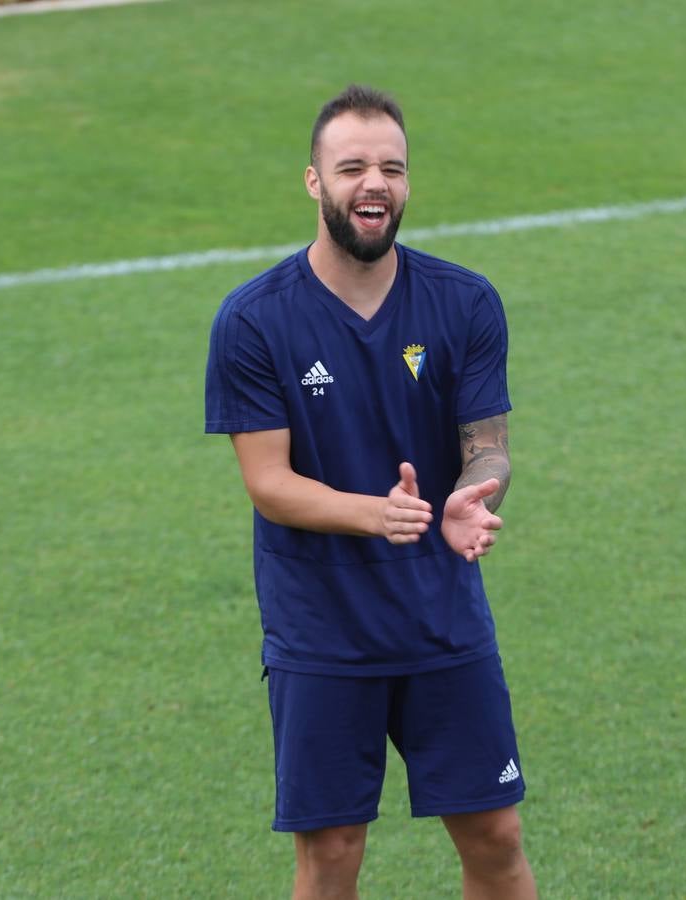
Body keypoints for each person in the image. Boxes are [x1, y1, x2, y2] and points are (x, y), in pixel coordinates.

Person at [204, 84, 537, 899]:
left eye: (391, 167)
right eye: (351, 167)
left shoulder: (465, 302)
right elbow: (268, 484)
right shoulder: (253, 322)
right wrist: (376, 514)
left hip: (442, 617)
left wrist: (475, 493)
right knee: (332, 852)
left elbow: (488, 448)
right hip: (321, 632)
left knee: (495, 833)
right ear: (315, 182)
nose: (374, 183)